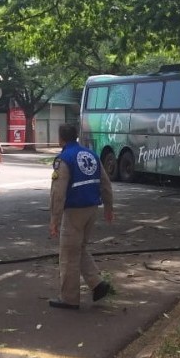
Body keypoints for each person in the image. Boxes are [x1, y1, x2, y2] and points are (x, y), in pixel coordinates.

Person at [48, 123, 114, 309]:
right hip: (92, 208)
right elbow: (105, 183)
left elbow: (58, 193)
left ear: (61, 138)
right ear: (75, 136)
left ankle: (69, 299)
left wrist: (54, 219)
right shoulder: (91, 155)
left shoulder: (64, 159)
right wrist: (109, 207)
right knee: (79, 248)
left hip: (74, 211)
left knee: (68, 253)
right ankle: (98, 284)